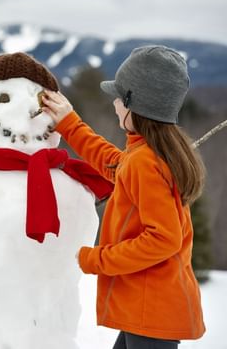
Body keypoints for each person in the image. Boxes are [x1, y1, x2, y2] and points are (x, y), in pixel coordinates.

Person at [41, 46, 206, 348]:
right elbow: (114, 164)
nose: (114, 104)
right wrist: (69, 123)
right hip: (148, 311)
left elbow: (163, 239)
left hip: (151, 314)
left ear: (133, 103)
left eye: (118, 97)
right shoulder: (147, 154)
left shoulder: (146, 162)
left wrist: (96, 258)